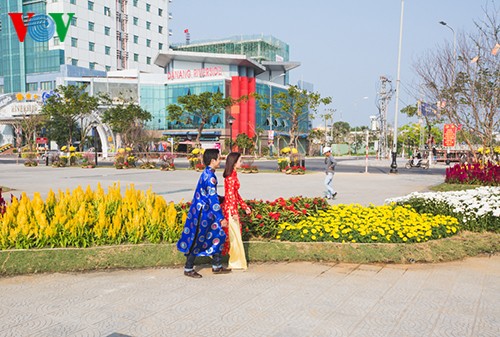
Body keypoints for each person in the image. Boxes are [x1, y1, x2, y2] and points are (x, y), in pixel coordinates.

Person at [177, 148, 230, 278]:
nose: (220, 160)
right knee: (197, 240)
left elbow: (208, 194)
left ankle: (216, 265)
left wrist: (221, 198)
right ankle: (188, 268)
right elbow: (212, 199)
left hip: (203, 211)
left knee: (218, 235)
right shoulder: (211, 177)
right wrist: (221, 218)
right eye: (219, 158)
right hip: (204, 214)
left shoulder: (206, 173)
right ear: (213, 160)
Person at [222, 152, 251, 270]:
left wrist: (244, 206)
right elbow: (230, 196)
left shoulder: (233, 175)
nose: (241, 163)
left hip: (231, 208)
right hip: (230, 209)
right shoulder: (230, 178)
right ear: (234, 163)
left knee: (235, 235)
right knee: (234, 236)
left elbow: (235, 194)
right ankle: (235, 262)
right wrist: (233, 212)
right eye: (240, 161)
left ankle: (237, 261)